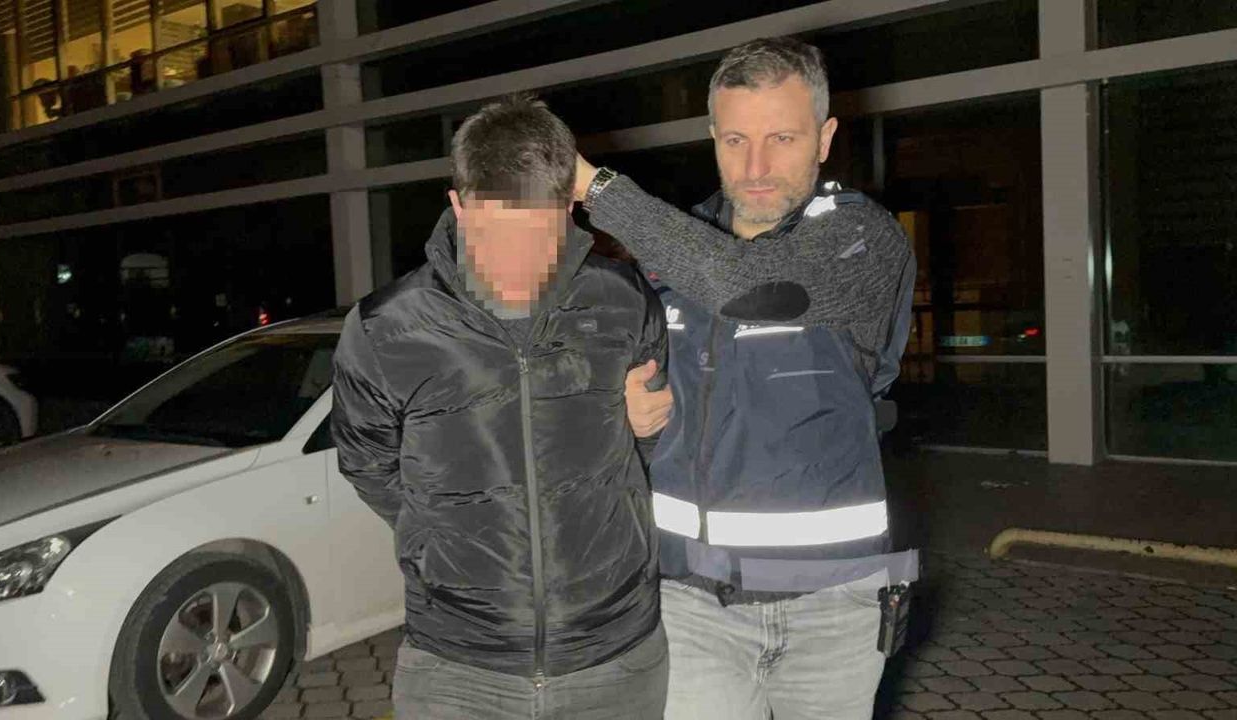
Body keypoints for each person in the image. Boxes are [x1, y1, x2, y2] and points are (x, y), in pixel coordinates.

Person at [574, 37, 919, 719]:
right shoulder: (672, 252)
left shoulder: (860, 240)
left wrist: (594, 188)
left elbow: (749, 285)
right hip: (688, 602)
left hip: (832, 609)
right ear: (713, 138)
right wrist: (624, 415)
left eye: (782, 138)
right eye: (735, 141)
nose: (756, 167)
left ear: (824, 138)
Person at [330, 94, 669, 720]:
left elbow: (647, 443)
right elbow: (367, 463)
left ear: (569, 209)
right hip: (455, 666)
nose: (517, 265)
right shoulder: (385, 327)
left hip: (615, 654)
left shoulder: (622, 300)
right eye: (493, 234)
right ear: (458, 206)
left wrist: (644, 422)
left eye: (539, 235)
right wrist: (442, 540)